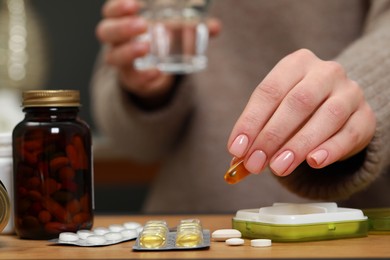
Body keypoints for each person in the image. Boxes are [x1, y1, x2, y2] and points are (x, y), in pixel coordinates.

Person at [91, 0, 390, 213]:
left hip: (341, 231)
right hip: (185, 228)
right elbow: (136, 144)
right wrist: (147, 92)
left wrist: (358, 93)